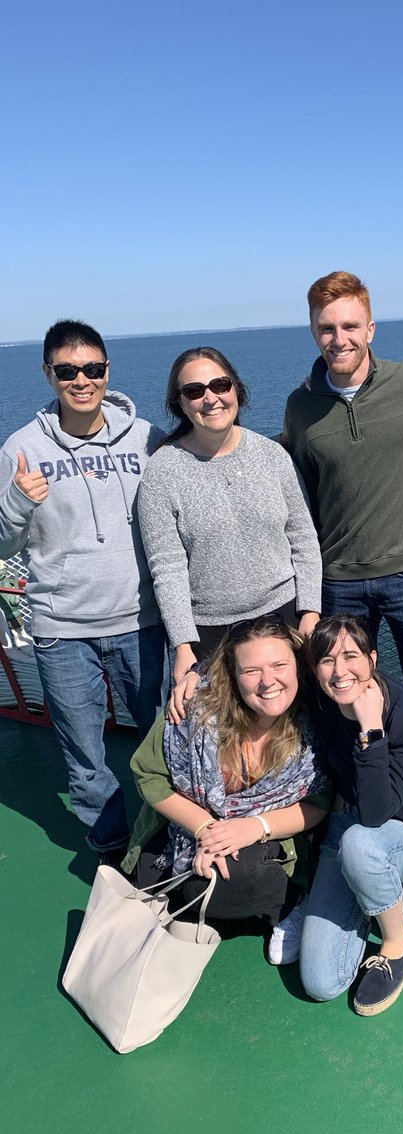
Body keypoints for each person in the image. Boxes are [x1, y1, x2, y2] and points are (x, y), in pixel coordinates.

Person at [282, 272, 403, 787]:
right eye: (325, 328)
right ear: (313, 332)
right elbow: (297, 487)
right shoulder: (302, 406)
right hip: (337, 578)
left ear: (371, 328)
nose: (338, 339)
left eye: (349, 326)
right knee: (339, 689)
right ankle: (354, 790)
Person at [0, 319, 166, 854]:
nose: (81, 380)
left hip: (142, 620)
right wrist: (18, 502)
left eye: (92, 369)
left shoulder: (145, 439)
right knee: (85, 755)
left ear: (106, 371)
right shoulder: (21, 449)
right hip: (62, 628)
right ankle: (111, 844)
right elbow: (3, 546)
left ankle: (169, 830)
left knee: (164, 737)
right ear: (49, 374)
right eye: (68, 370)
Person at [123, 614, 332, 964]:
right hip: (191, 827)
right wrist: (206, 830)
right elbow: (147, 773)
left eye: (279, 664)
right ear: (232, 676)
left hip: (269, 832)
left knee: (223, 879)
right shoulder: (193, 709)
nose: (268, 682)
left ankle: (292, 903)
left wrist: (253, 827)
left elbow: (320, 802)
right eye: (251, 671)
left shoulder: (316, 724)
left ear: (297, 665)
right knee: (153, 876)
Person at [298, 614, 403, 1016]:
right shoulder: (322, 700)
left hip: (398, 833)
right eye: (327, 661)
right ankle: (378, 894)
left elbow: (376, 813)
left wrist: (370, 730)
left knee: (360, 844)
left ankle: (398, 945)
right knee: (321, 981)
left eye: (351, 656)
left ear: (372, 658)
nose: (340, 671)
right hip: (342, 827)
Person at [138, 347, 322, 692]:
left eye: (220, 385)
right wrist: (183, 645)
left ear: (236, 388)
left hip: (284, 618)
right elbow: (167, 568)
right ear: (180, 403)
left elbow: (302, 538)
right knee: (225, 736)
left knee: (295, 725)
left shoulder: (272, 456)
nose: (210, 398)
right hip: (210, 633)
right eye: (194, 391)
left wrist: (309, 610)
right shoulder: (162, 473)